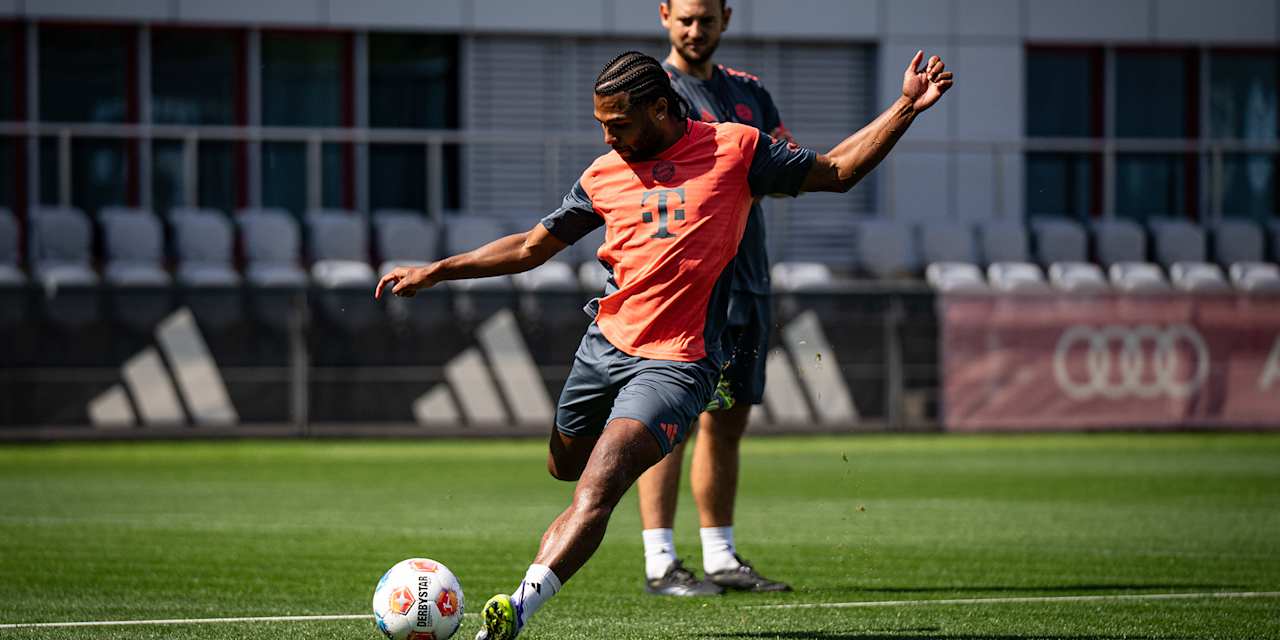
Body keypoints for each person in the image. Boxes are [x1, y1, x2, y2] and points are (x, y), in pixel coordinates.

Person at [375, 49, 952, 640]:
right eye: (601, 124)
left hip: (679, 362)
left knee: (599, 483)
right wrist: (439, 270)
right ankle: (617, 445)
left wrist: (906, 106)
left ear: (657, 109)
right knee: (564, 466)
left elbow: (835, 171)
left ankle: (516, 608)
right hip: (604, 346)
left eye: (617, 124)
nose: (607, 136)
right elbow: (530, 248)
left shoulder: (736, 149)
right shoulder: (603, 174)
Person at [636, 0, 799, 597]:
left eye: (706, 19)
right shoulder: (652, 93)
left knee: (727, 422)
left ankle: (720, 557)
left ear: (726, 18)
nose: (694, 30)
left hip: (749, 279)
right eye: (685, 18)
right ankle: (660, 563)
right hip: (688, 287)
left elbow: (788, 163)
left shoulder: (750, 91)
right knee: (668, 423)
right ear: (664, 16)